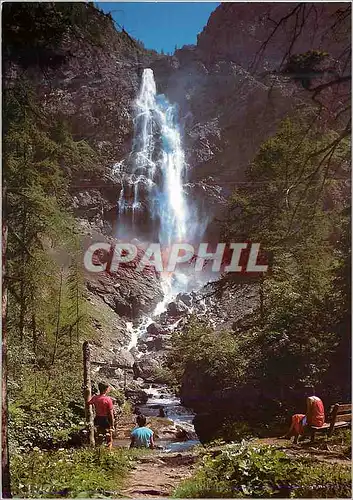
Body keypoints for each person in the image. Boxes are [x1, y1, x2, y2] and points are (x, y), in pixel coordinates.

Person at [88, 382, 114, 448]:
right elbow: (111, 414)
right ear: (105, 389)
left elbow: (88, 402)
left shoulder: (95, 398)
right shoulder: (108, 399)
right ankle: (108, 451)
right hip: (106, 419)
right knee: (109, 438)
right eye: (108, 388)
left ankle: (98, 450)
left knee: (99, 436)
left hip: (97, 418)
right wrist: (112, 425)